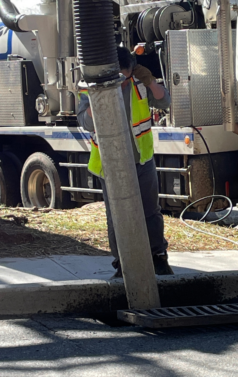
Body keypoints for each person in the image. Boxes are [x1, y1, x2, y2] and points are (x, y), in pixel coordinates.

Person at [77, 46, 173, 277]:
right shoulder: (88, 88)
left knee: (150, 211)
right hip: (110, 162)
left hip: (142, 158)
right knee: (116, 215)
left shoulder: (139, 82)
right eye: (118, 78)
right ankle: (122, 261)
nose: (122, 82)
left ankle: (157, 256)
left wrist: (150, 81)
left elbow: (164, 101)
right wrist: (98, 95)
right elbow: (86, 122)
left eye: (125, 77)